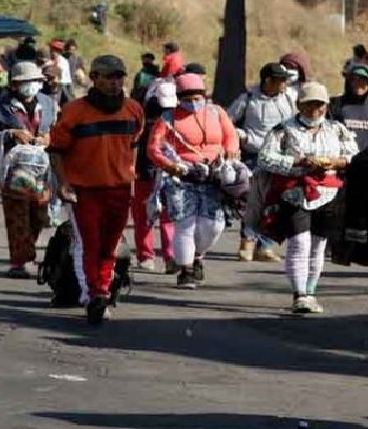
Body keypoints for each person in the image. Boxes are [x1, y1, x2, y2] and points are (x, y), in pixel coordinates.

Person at [48, 55, 145, 324]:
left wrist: (132, 178)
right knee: (89, 244)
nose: (115, 83)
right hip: (84, 191)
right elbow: (56, 151)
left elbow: (133, 145)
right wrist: (64, 184)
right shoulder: (74, 112)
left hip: (119, 190)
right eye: (109, 77)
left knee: (110, 246)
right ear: (94, 78)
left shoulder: (133, 110)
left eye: (119, 77)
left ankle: (100, 290)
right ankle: (96, 295)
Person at [258, 82, 358, 313]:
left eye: (320, 104)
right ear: (299, 105)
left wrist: (335, 162)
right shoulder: (283, 130)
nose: (315, 109)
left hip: (329, 193)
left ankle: (311, 291)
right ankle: (299, 294)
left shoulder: (337, 129)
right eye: (309, 104)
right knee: (299, 243)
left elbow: (355, 156)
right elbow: (265, 158)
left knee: (318, 245)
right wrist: (298, 162)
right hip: (295, 193)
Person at [146, 73, 240, 289]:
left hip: (214, 176)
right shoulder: (168, 119)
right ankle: (186, 270)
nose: (193, 101)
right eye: (187, 97)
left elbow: (231, 136)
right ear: (179, 97)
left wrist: (230, 151)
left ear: (205, 95)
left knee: (214, 225)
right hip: (181, 177)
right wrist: (172, 167)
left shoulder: (217, 113)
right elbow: (154, 148)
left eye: (197, 96)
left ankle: (197, 255)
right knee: (185, 225)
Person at [0, 61, 56, 278]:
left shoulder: (48, 104)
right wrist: (11, 133)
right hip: (14, 169)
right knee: (17, 215)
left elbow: (56, 130)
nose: (30, 86)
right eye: (25, 82)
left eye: (34, 81)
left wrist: (49, 137)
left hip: (42, 168)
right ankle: (19, 261)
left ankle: (28, 252)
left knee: (39, 214)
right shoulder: (0, 108)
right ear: (14, 84)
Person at [227, 62, 295, 263]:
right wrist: (241, 136)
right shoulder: (248, 99)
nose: (284, 84)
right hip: (253, 155)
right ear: (268, 81)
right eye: (280, 80)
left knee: (274, 202)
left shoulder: (289, 99)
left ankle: (264, 246)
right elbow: (227, 120)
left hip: (280, 156)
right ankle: (246, 244)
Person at [132, 80, 177, 274]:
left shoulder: (177, 117)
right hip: (144, 172)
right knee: (143, 216)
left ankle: (170, 256)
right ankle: (146, 255)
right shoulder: (139, 118)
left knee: (169, 216)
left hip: (168, 173)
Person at [330, 64, 368, 152]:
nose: (358, 83)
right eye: (354, 80)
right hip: (343, 161)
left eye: (363, 80)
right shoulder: (336, 104)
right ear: (349, 82)